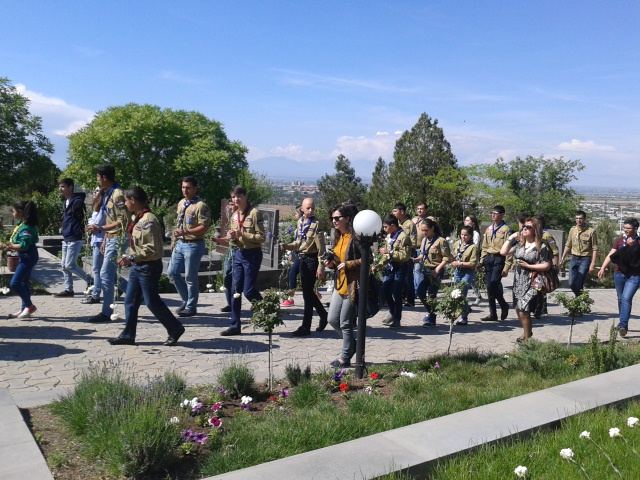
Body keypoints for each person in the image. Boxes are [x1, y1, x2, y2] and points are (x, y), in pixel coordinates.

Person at [108, 187, 185, 346]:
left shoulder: (148, 220)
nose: (125, 204)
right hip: (138, 266)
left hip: (148, 267)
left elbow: (151, 249)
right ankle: (128, 335)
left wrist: (131, 257)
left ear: (133, 200)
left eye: (126, 201)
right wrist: (129, 257)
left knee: (151, 301)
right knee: (130, 301)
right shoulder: (137, 217)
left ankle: (175, 328)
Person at [221, 185, 266, 336]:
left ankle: (264, 308)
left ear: (245, 197)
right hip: (238, 254)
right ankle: (235, 325)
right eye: (233, 197)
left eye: (239, 196)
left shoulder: (254, 213)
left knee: (248, 291)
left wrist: (243, 234)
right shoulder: (235, 215)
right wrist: (232, 236)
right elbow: (234, 238)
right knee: (235, 291)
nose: (236, 199)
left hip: (252, 254)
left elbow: (262, 237)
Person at [86, 164, 128, 323]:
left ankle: (107, 311)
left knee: (105, 274)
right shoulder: (108, 193)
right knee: (108, 274)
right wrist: (105, 237)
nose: (97, 179)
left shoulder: (117, 195)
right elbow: (111, 219)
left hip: (119, 237)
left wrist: (100, 229)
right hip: (110, 237)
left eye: (98, 177)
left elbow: (122, 221)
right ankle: (134, 296)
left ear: (104, 177)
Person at [281, 198, 328, 336]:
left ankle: (306, 327)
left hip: (312, 260)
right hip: (302, 259)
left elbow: (321, 248)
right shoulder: (300, 222)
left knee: (307, 294)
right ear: (302, 209)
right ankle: (323, 315)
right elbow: (298, 242)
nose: (311, 210)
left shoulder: (316, 224)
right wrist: (287, 246)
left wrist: (321, 267)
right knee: (307, 292)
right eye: (308, 208)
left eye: (313, 208)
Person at [167, 176, 212, 317]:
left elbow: (204, 227)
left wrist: (187, 232)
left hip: (193, 244)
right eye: (183, 187)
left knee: (190, 277)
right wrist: (174, 240)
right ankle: (186, 299)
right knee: (172, 273)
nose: (185, 190)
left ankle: (191, 307)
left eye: (188, 188)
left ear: (195, 188)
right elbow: (178, 223)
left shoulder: (200, 206)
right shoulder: (182, 203)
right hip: (180, 243)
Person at [323, 202, 361, 367]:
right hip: (339, 284)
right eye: (332, 218)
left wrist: (348, 264)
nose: (334, 221)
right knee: (332, 319)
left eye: (337, 218)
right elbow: (338, 260)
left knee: (345, 322)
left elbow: (368, 259)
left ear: (347, 219)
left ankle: (345, 357)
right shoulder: (338, 236)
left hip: (352, 286)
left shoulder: (356, 237)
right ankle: (353, 344)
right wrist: (331, 263)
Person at [500, 217, 550, 342]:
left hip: (533, 281)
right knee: (518, 309)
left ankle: (527, 340)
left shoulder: (541, 246)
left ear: (535, 230)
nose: (525, 229)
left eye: (528, 227)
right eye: (524, 226)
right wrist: (512, 237)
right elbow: (503, 252)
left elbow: (546, 265)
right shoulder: (519, 244)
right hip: (518, 281)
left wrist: (529, 266)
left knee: (523, 310)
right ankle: (527, 332)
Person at [598, 218, 640, 338]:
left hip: (634, 276)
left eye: (628, 228)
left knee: (626, 298)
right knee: (621, 299)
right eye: (624, 228)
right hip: (619, 274)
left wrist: (633, 246)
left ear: (636, 229)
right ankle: (623, 322)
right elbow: (611, 255)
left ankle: (623, 325)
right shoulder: (619, 241)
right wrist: (603, 267)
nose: (625, 230)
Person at [373, 214, 412, 329]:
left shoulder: (404, 237)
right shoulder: (390, 236)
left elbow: (405, 256)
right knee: (384, 289)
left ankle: (397, 318)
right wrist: (379, 265)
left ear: (393, 226)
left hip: (400, 267)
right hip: (390, 267)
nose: (384, 229)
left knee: (396, 292)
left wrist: (389, 253)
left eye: (386, 227)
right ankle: (392, 311)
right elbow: (387, 254)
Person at [1, 201, 39, 319]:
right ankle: (24, 309)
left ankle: (29, 306)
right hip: (24, 256)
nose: (12, 213)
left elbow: (23, 246)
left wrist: (6, 246)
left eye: (13, 211)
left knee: (15, 282)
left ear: (20, 212)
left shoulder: (26, 228)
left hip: (28, 257)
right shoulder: (21, 224)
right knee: (23, 282)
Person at [53, 178, 87, 298]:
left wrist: (79, 232)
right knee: (64, 265)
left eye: (62, 186)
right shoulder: (66, 202)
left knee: (69, 265)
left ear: (70, 187)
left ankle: (90, 281)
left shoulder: (78, 202)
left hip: (75, 237)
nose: (60, 189)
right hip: (67, 237)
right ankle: (69, 290)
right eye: (59, 186)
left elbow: (82, 220)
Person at [414, 218, 451, 327]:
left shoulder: (441, 241)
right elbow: (423, 254)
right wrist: (417, 259)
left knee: (431, 294)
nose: (424, 233)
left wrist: (437, 269)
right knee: (420, 292)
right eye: (422, 230)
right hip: (426, 270)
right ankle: (431, 312)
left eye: (426, 230)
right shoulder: (424, 240)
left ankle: (432, 320)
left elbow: (446, 258)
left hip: (436, 270)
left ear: (432, 228)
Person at [480, 205, 511, 322]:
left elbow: (509, 249)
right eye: (492, 213)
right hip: (489, 258)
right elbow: (484, 246)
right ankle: (493, 313)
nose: (493, 215)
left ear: (502, 215)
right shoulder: (489, 229)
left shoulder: (506, 229)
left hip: (499, 259)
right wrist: (482, 261)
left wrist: (507, 267)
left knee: (493, 284)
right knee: (489, 287)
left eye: (496, 213)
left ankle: (504, 305)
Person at [561, 210, 598, 297]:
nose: (578, 220)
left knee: (579, 282)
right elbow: (568, 245)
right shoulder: (572, 230)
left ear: (584, 219)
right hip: (574, 258)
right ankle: (580, 298)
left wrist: (593, 263)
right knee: (571, 283)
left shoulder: (591, 231)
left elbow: (595, 248)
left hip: (585, 259)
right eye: (577, 218)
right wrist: (562, 258)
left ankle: (579, 299)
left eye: (580, 218)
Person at [212, 198, 238, 313]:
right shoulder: (232, 218)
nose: (230, 207)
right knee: (226, 275)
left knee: (241, 280)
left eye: (232, 205)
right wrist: (218, 240)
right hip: (231, 250)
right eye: (230, 205)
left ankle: (255, 302)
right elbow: (229, 238)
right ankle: (230, 303)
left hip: (241, 251)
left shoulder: (244, 216)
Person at [82, 187, 106, 304]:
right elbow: (90, 223)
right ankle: (129, 290)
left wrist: (92, 226)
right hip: (96, 240)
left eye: (96, 191)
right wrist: (91, 226)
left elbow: (97, 223)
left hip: (101, 240)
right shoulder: (96, 207)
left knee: (97, 269)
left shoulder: (103, 208)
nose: (93, 193)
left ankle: (96, 295)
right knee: (104, 270)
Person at [451, 225, 478, 325]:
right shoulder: (457, 243)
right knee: (457, 293)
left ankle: (464, 318)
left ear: (470, 236)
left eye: (466, 235)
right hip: (458, 271)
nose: (463, 237)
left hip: (468, 272)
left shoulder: (473, 247)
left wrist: (460, 263)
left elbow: (473, 263)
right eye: (462, 234)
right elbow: (453, 255)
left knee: (462, 292)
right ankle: (466, 309)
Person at [534, 215, 560, 318]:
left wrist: (556, 266)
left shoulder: (547, 235)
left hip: (544, 264)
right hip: (534, 264)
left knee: (541, 287)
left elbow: (555, 251)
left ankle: (540, 309)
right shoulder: (533, 234)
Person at [392, 203, 417, 307]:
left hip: (407, 254)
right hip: (396, 255)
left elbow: (413, 241)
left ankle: (410, 300)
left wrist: (407, 251)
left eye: (395, 211)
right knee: (398, 277)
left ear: (402, 212)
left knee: (408, 277)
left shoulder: (410, 224)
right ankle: (400, 297)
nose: (393, 213)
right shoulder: (396, 223)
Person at [281, 205, 302, 307]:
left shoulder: (303, 226)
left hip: (302, 254)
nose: (295, 215)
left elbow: (299, 243)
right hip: (298, 254)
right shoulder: (299, 225)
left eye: (296, 213)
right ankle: (316, 293)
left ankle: (290, 298)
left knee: (292, 274)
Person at [412, 203, 433, 304]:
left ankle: (419, 291)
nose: (419, 210)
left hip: (424, 248)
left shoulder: (430, 219)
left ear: (426, 210)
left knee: (418, 270)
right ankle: (417, 290)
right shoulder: (414, 219)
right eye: (418, 209)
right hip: (414, 248)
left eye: (421, 209)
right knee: (415, 271)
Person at [464, 215, 483, 306]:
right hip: (464, 259)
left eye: (468, 220)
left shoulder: (475, 234)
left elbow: (474, 247)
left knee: (471, 278)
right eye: (465, 220)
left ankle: (477, 296)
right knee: (471, 279)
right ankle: (477, 296)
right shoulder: (465, 233)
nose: (465, 222)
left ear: (473, 223)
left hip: (472, 259)